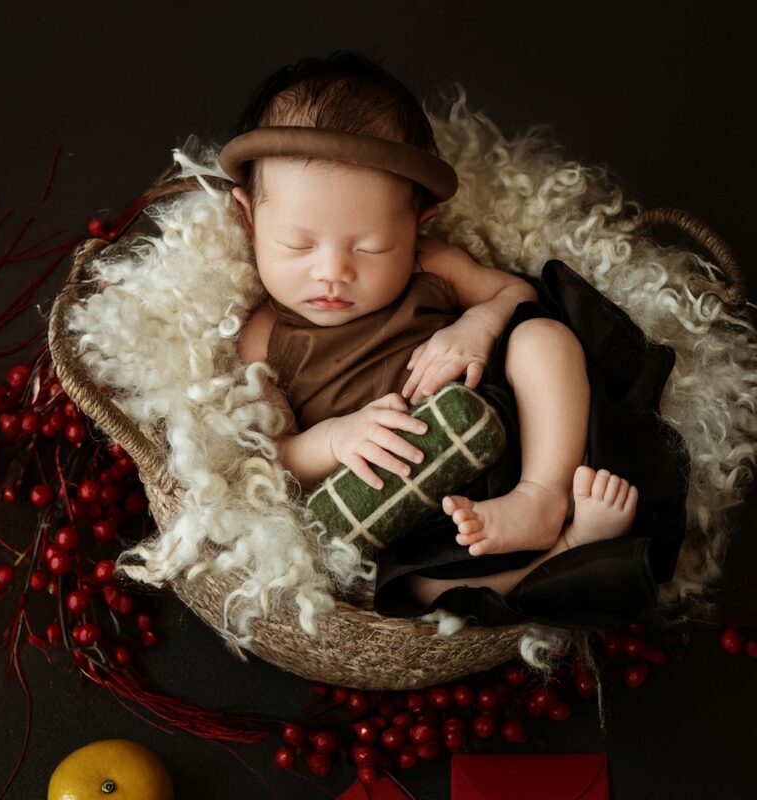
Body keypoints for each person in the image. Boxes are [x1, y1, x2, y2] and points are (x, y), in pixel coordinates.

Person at [226, 51, 690, 629]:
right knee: (411, 585)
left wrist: (478, 325)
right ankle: (566, 551)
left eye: (369, 247)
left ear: (419, 223)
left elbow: (516, 293)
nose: (333, 272)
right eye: (299, 245)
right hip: (414, 509)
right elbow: (272, 453)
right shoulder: (264, 337)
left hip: (524, 434)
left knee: (543, 337)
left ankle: (543, 498)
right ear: (248, 218)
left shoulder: (433, 264)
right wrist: (336, 439)